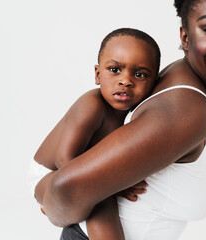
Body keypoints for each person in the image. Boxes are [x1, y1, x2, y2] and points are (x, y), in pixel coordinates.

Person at [34, 0, 206, 239]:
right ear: (185, 37)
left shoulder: (178, 79)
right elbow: (65, 190)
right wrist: (53, 202)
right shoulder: (187, 110)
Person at [30, 28, 161, 240]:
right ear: (98, 74)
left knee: (98, 195)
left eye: (140, 74)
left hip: (81, 174)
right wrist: (111, 187)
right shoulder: (91, 106)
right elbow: (64, 160)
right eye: (115, 70)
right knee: (101, 202)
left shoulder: (139, 112)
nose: (126, 81)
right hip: (50, 174)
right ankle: (53, 204)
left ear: (154, 82)